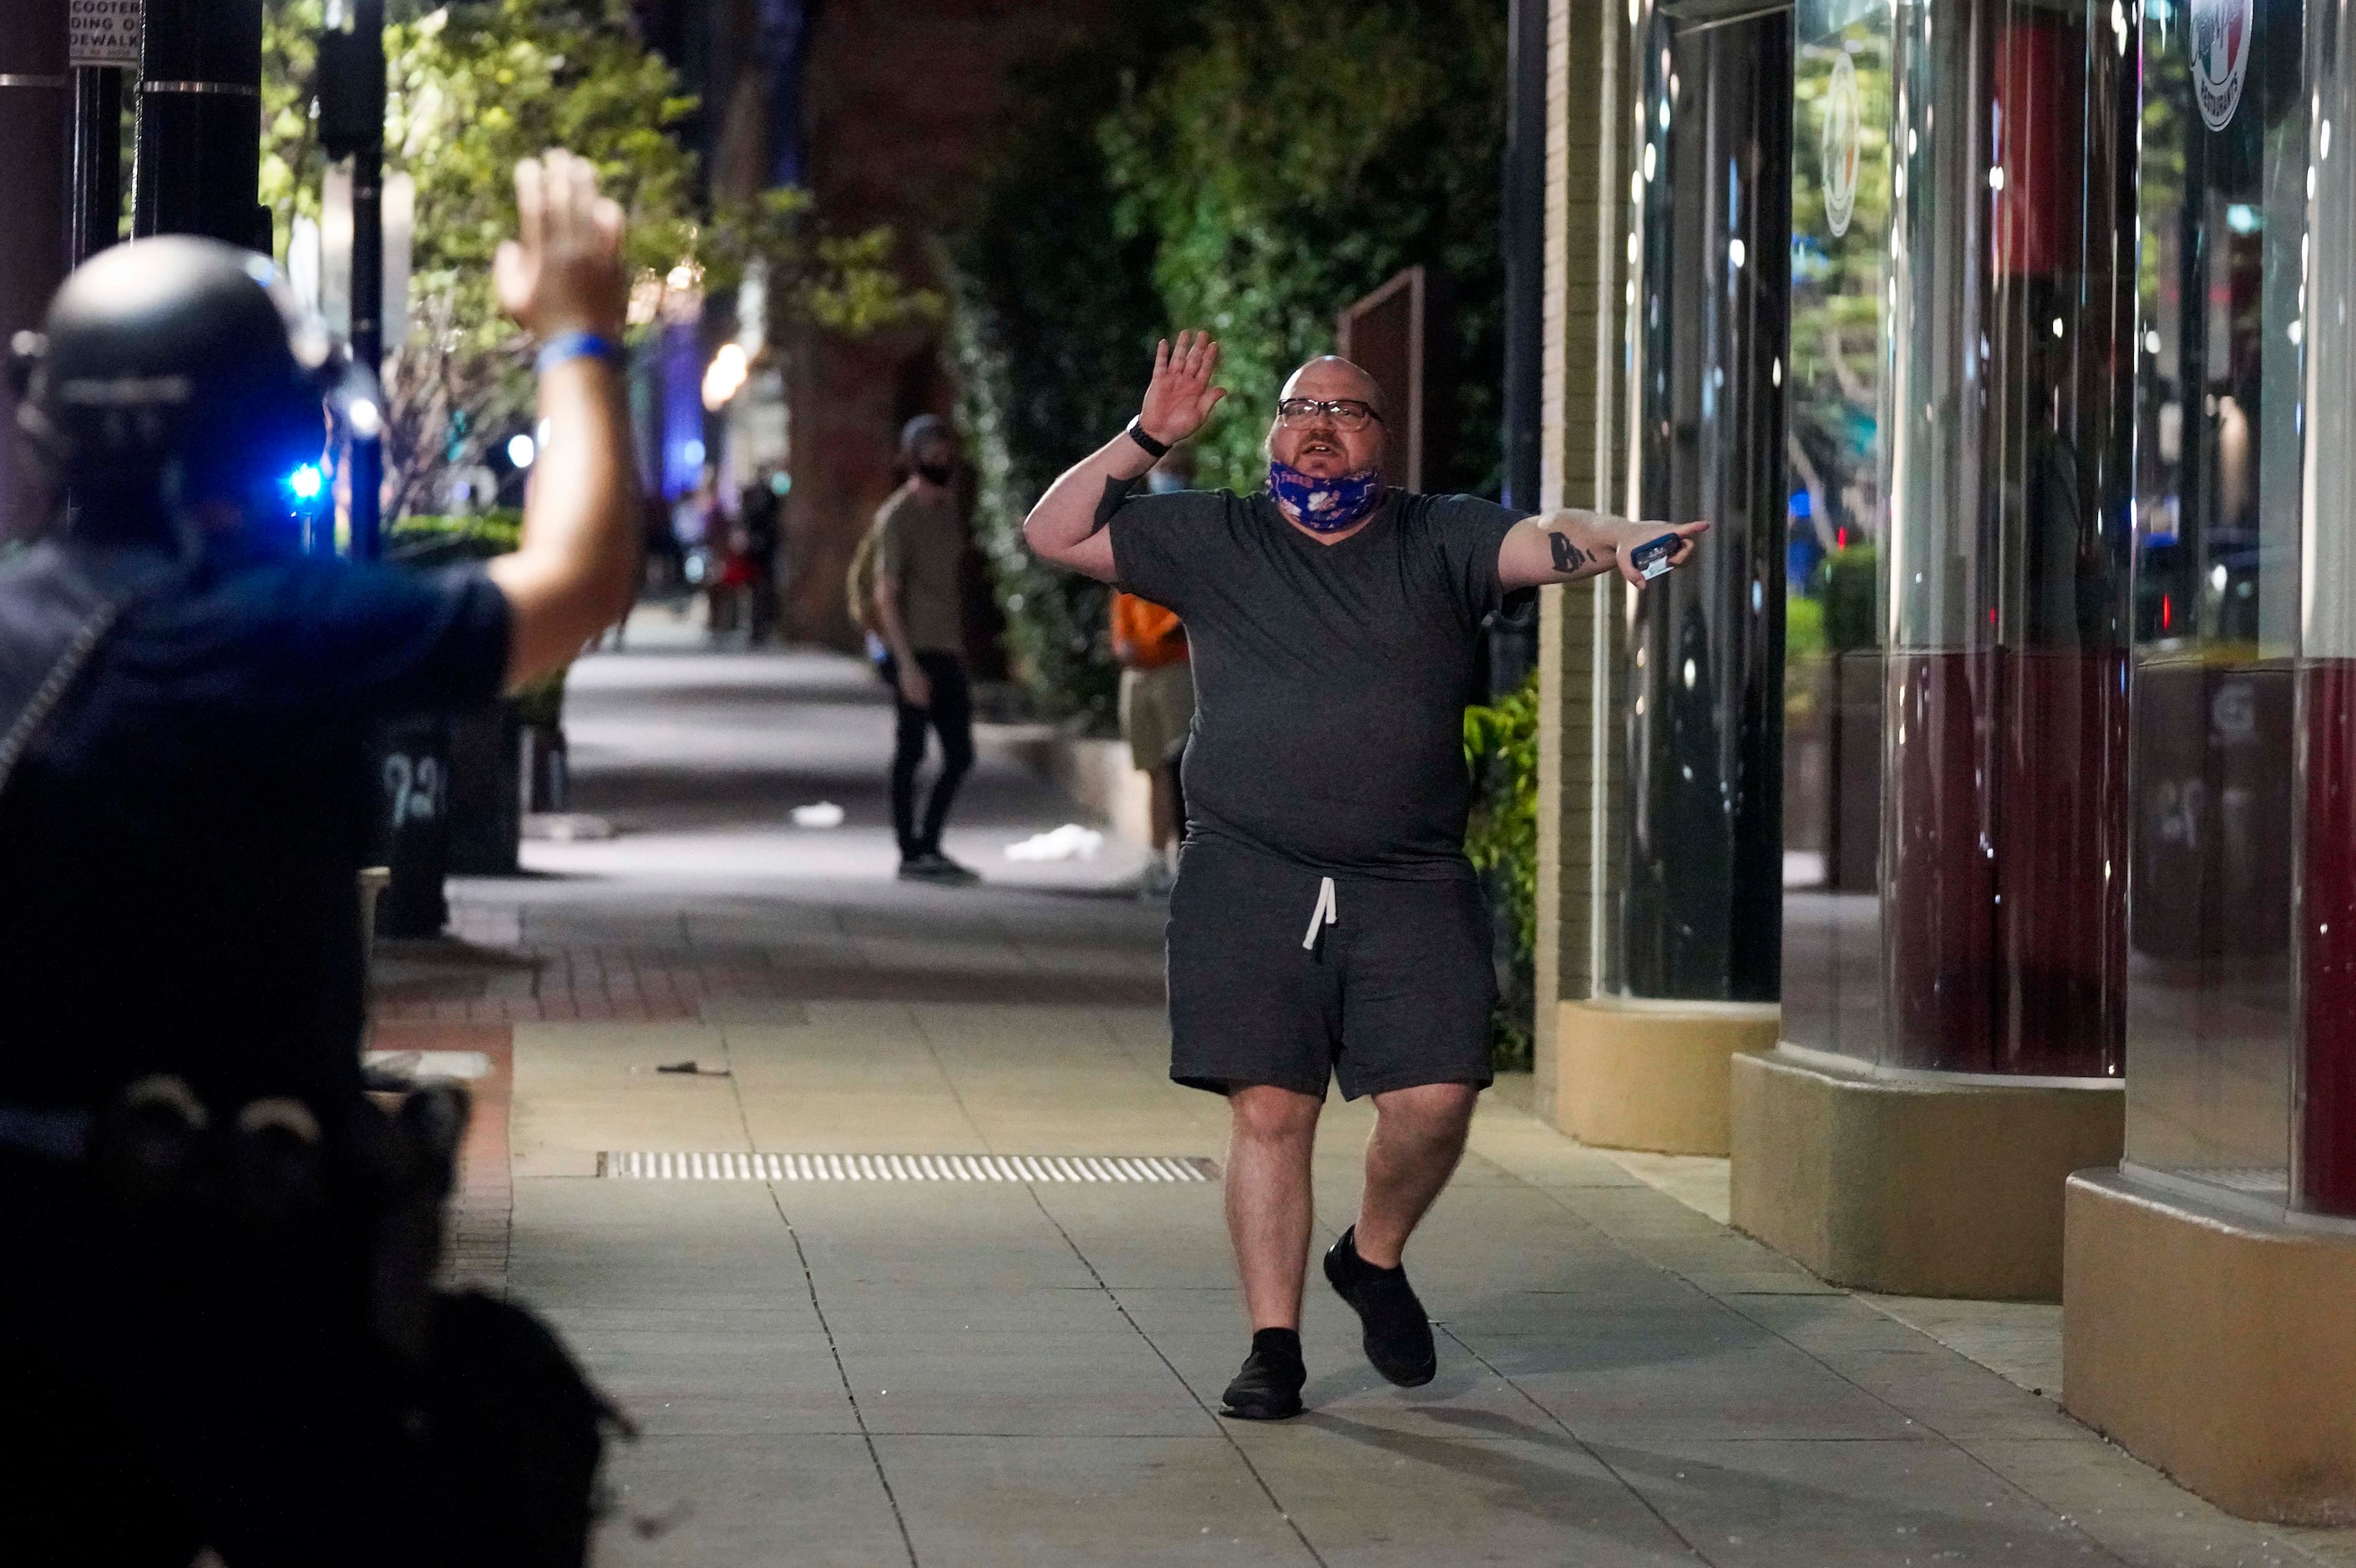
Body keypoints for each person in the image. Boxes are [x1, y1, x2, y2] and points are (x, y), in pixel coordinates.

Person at [0, 149, 639, 1563]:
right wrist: (578, 335)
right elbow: (578, 574)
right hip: (243, 1269)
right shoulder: (280, 627)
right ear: (258, 431)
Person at [1023, 332, 1705, 1420]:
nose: (1322, 424)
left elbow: (1546, 539)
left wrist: (1625, 543)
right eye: (1302, 407)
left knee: (1434, 1101)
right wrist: (1149, 435)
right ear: (1271, 429)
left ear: (1381, 439)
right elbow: (1052, 529)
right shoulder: (1214, 535)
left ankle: (1373, 1258)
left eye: (1348, 411)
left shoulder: (1436, 535)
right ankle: (1273, 1346)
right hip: (1247, 864)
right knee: (1270, 1110)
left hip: (1408, 873)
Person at [871, 412, 980, 885]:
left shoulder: (950, 514)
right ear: (912, 456)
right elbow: (885, 594)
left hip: (948, 649)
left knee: (959, 754)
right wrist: (905, 665)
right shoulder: (898, 516)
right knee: (911, 753)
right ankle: (909, 850)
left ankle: (929, 843)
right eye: (930, 448)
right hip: (915, 652)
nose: (941, 455)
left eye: (944, 446)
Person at [1111, 586, 1191, 898]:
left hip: (1173, 670)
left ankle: (1185, 859)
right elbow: (1122, 613)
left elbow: (1180, 620)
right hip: (1137, 673)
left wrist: (1151, 643)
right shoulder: (1131, 569)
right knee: (1154, 768)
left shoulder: (1176, 562)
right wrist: (1124, 643)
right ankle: (1157, 859)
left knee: (1179, 767)